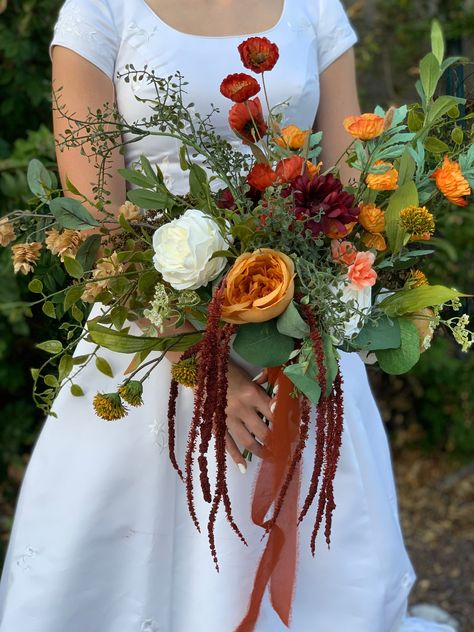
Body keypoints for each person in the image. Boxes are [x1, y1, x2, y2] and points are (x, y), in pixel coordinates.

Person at [0, 1, 457, 631]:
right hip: (153, 333)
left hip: (298, 332)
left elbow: (350, 183)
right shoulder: (100, 10)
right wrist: (201, 360)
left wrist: (348, 290)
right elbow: (96, 221)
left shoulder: (314, 9)